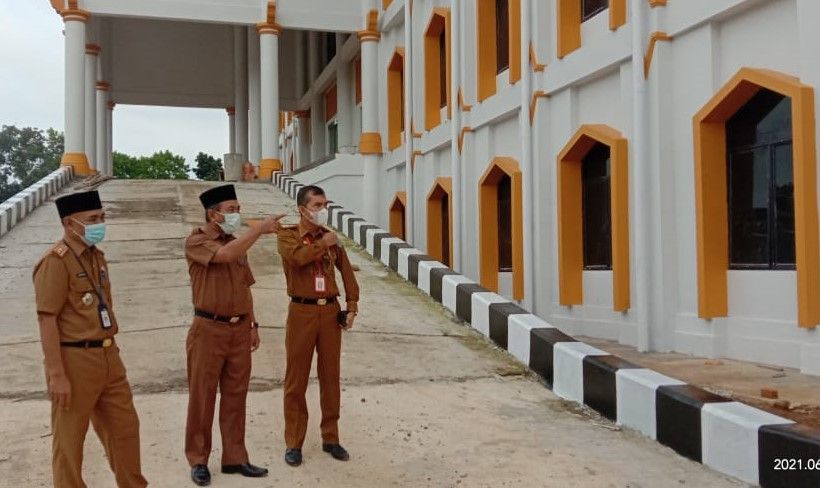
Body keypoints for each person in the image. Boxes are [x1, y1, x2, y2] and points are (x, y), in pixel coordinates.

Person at [32, 190, 148, 487]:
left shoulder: (97, 257)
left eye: (102, 217)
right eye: (92, 219)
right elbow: (47, 319)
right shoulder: (55, 262)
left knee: (125, 431)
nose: (100, 224)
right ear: (70, 223)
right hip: (74, 360)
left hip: (109, 356)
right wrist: (56, 374)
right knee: (70, 442)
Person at [184, 184, 283, 486]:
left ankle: (235, 458)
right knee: (202, 397)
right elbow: (224, 256)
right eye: (231, 210)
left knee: (236, 397)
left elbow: (244, 287)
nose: (236, 215)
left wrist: (253, 325)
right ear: (213, 214)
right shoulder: (198, 241)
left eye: (238, 209)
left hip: (239, 329)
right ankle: (198, 459)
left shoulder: (236, 244)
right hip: (208, 330)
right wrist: (259, 230)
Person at [277, 185, 360, 467]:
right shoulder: (288, 235)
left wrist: (352, 306)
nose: (323, 210)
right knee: (296, 379)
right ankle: (294, 442)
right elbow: (297, 259)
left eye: (325, 204)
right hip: (301, 310)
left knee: (330, 377)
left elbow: (346, 272)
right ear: (303, 209)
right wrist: (323, 244)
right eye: (317, 205)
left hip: (329, 311)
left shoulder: (331, 238)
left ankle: (331, 437)